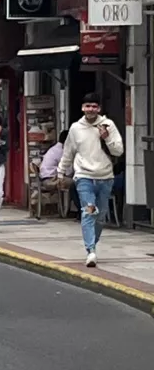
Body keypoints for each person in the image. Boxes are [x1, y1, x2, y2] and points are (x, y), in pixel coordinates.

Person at [57, 93, 124, 267]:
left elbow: (118, 151)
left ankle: (93, 243)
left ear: (99, 109)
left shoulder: (108, 125)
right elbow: (68, 151)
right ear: (82, 108)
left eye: (94, 106)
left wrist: (107, 137)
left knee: (101, 216)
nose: (91, 109)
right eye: (88, 106)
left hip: (105, 177)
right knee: (89, 212)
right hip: (84, 177)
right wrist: (61, 172)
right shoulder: (75, 128)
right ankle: (91, 251)